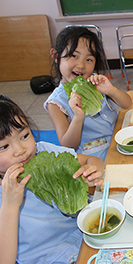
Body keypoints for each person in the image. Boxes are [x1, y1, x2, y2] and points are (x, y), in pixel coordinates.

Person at [0, 95, 104, 264]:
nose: (20, 150)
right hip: (50, 258)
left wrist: (90, 171)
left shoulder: (43, 153)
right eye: (4, 146)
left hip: (85, 234)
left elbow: (94, 161)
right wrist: (10, 205)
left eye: (24, 136)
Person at [44, 26, 132, 162]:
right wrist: (78, 117)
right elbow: (68, 145)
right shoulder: (56, 103)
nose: (81, 65)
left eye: (89, 59)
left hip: (119, 142)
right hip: (96, 157)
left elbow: (127, 103)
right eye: (74, 56)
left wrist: (111, 90)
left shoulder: (95, 81)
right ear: (56, 56)